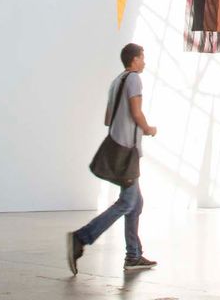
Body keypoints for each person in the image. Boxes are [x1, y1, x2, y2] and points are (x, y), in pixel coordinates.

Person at [67, 43, 159, 274]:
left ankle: (133, 255)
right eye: (142, 57)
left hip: (117, 147)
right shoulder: (135, 79)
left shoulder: (116, 82)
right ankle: (81, 237)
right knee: (128, 203)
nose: (144, 62)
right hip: (127, 151)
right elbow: (136, 113)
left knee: (136, 203)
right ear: (134, 60)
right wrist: (149, 129)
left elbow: (108, 119)